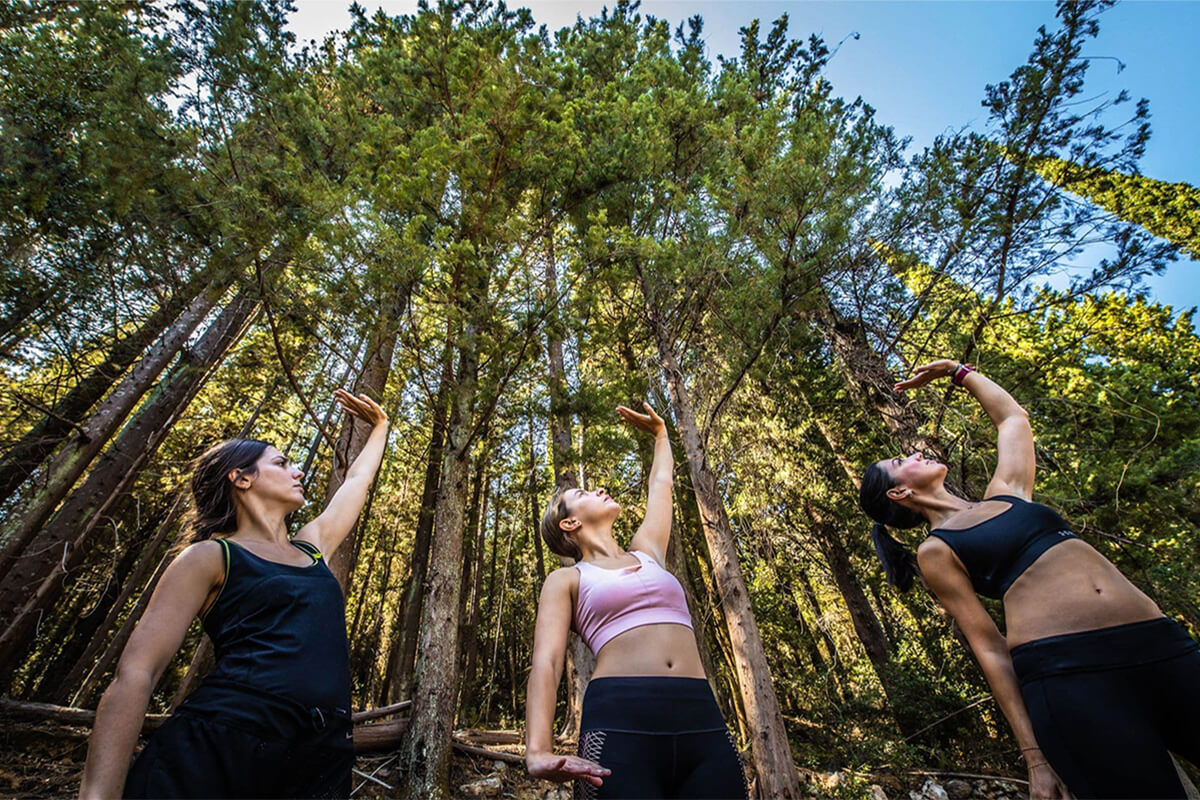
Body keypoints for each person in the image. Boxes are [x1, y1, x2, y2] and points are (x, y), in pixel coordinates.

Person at [860, 360, 1200, 800]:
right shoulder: (936, 550)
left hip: (1160, 644)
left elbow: (1013, 419)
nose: (915, 453)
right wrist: (1035, 757)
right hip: (1071, 676)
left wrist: (955, 371)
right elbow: (990, 648)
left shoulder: (1007, 492)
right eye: (901, 461)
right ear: (899, 492)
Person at [79, 389, 388, 799]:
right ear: (241, 478)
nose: (297, 472)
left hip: (321, 754)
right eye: (281, 463)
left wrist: (382, 427)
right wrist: (98, 794)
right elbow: (137, 674)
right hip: (220, 744)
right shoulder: (210, 556)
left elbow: (357, 481)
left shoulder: (313, 546)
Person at [524, 402, 748, 800]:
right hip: (621, 721)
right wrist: (538, 750)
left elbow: (661, 486)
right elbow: (548, 660)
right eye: (583, 493)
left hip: (701, 716)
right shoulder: (566, 580)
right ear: (569, 523)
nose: (599, 490)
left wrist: (661, 436)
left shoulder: (647, 552)